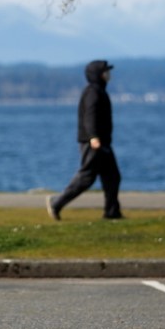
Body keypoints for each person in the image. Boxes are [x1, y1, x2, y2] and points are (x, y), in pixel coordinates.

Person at [46, 60, 122, 221]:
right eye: (106, 71)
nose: (109, 73)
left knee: (112, 176)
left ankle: (112, 213)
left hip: (102, 142)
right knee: (87, 177)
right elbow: (90, 116)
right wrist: (93, 136)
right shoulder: (93, 92)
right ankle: (56, 203)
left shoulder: (99, 90)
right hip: (93, 142)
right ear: (98, 74)